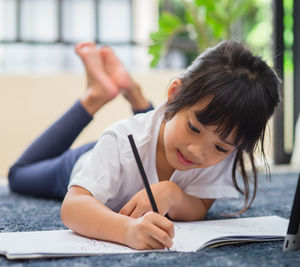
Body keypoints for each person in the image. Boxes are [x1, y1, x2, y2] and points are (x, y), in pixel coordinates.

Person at [8, 40, 281, 250]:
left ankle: (136, 97)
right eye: (194, 128)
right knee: (19, 175)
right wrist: (126, 230)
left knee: (165, 134)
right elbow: (73, 207)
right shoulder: (119, 142)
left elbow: (199, 206)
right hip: (87, 160)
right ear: (173, 93)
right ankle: (96, 96)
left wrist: (173, 193)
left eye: (221, 147)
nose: (199, 152)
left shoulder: (222, 147)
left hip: (151, 136)